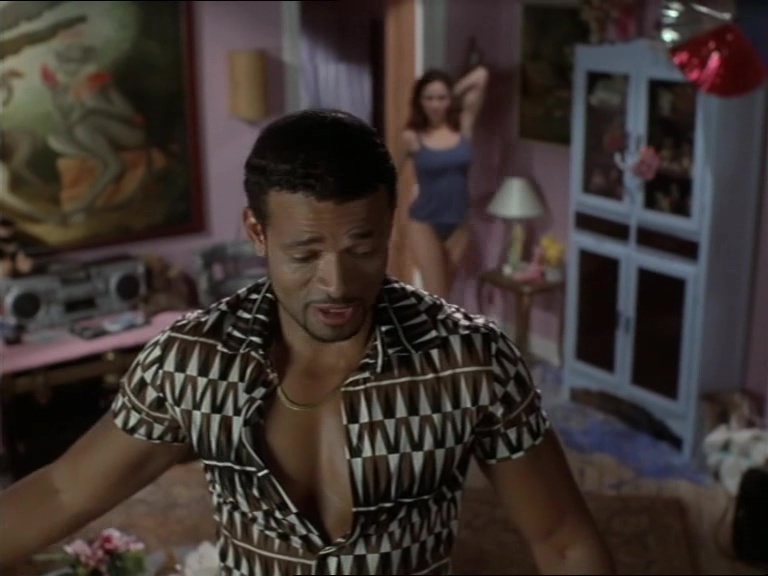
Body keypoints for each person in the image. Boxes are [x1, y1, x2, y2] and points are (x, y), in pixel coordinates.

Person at [0, 109, 615, 576]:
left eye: (363, 248)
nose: (337, 283)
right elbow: (62, 490)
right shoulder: (191, 362)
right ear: (257, 231)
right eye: (305, 253)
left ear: (389, 225)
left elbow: (563, 541)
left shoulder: (471, 360)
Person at [401, 60, 489, 300]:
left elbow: (481, 75)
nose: (435, 104)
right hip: (424, 221)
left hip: (459, 221)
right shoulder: (412, 136)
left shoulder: (463, 126)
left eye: (441, 98)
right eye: (429, 98)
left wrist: (452, 93)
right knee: (437, 296)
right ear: (420, 101)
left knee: (445, 295)